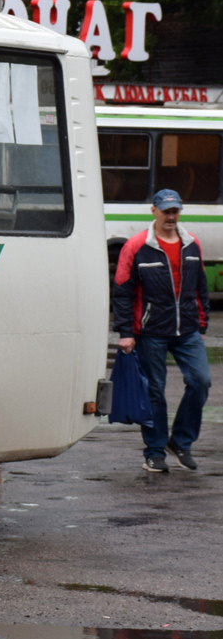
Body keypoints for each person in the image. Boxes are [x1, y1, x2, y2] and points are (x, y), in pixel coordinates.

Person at [112, 188, 211, 473]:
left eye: (175, 210)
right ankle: (154, 452)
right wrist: (125, 332)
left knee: (201, 381)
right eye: (166, 210)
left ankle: (180, 441)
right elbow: (122, 291)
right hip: (150, 331)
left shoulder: (192, 243)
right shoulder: (136, 245)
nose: (171, 216)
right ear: (153, 211)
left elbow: (201, 286)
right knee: (154, 391)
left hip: (188, 330)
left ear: (180, 211)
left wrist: (201, 324)